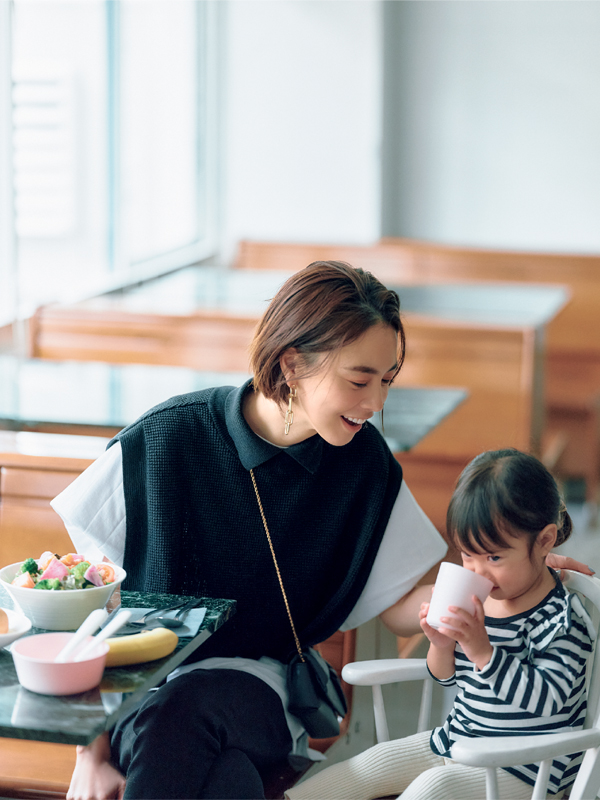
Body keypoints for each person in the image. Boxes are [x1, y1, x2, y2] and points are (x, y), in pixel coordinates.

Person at [53, 263, 588, 800]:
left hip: (258, 693)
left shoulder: (364, 467)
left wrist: (517, 577)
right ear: (292, 364)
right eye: (359, 380)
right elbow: (94, 609)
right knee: (224, 779)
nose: (376, 403)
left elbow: (403, 601)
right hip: (146, 695)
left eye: (386, 381)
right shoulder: (165, 438)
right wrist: (89, 755)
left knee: (181, 714)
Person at [286, 448, 596, 800]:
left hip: (525, 768)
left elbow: (549, 700)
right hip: (460, 740)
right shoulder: (482, 598)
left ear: (544, 540)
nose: (477, 570)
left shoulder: (561, 619)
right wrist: (441, 644)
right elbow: (444, 676)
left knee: (431, 789)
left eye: (494, 556)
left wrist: (484, 652)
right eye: (467, 554)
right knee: (367, 765)